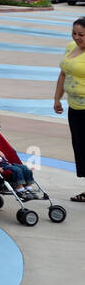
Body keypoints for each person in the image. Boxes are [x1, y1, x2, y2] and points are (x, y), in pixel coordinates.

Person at [52, 17, 85, 201]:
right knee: (81, 148)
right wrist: (57, 98)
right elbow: (63, 74)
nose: (77, 38)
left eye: (81, 35)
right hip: (75, 107)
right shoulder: (70, 47)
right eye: (74, 33)